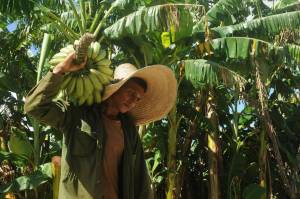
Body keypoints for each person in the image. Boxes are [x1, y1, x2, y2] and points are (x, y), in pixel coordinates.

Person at [24, 53, 177, 199]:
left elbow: (140, 178)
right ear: (116, 88)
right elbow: (34, 107)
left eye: (137, 99)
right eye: (130, 92)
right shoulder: (78, 116)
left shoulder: (129, 131)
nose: (133, 101)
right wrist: (60, 70)